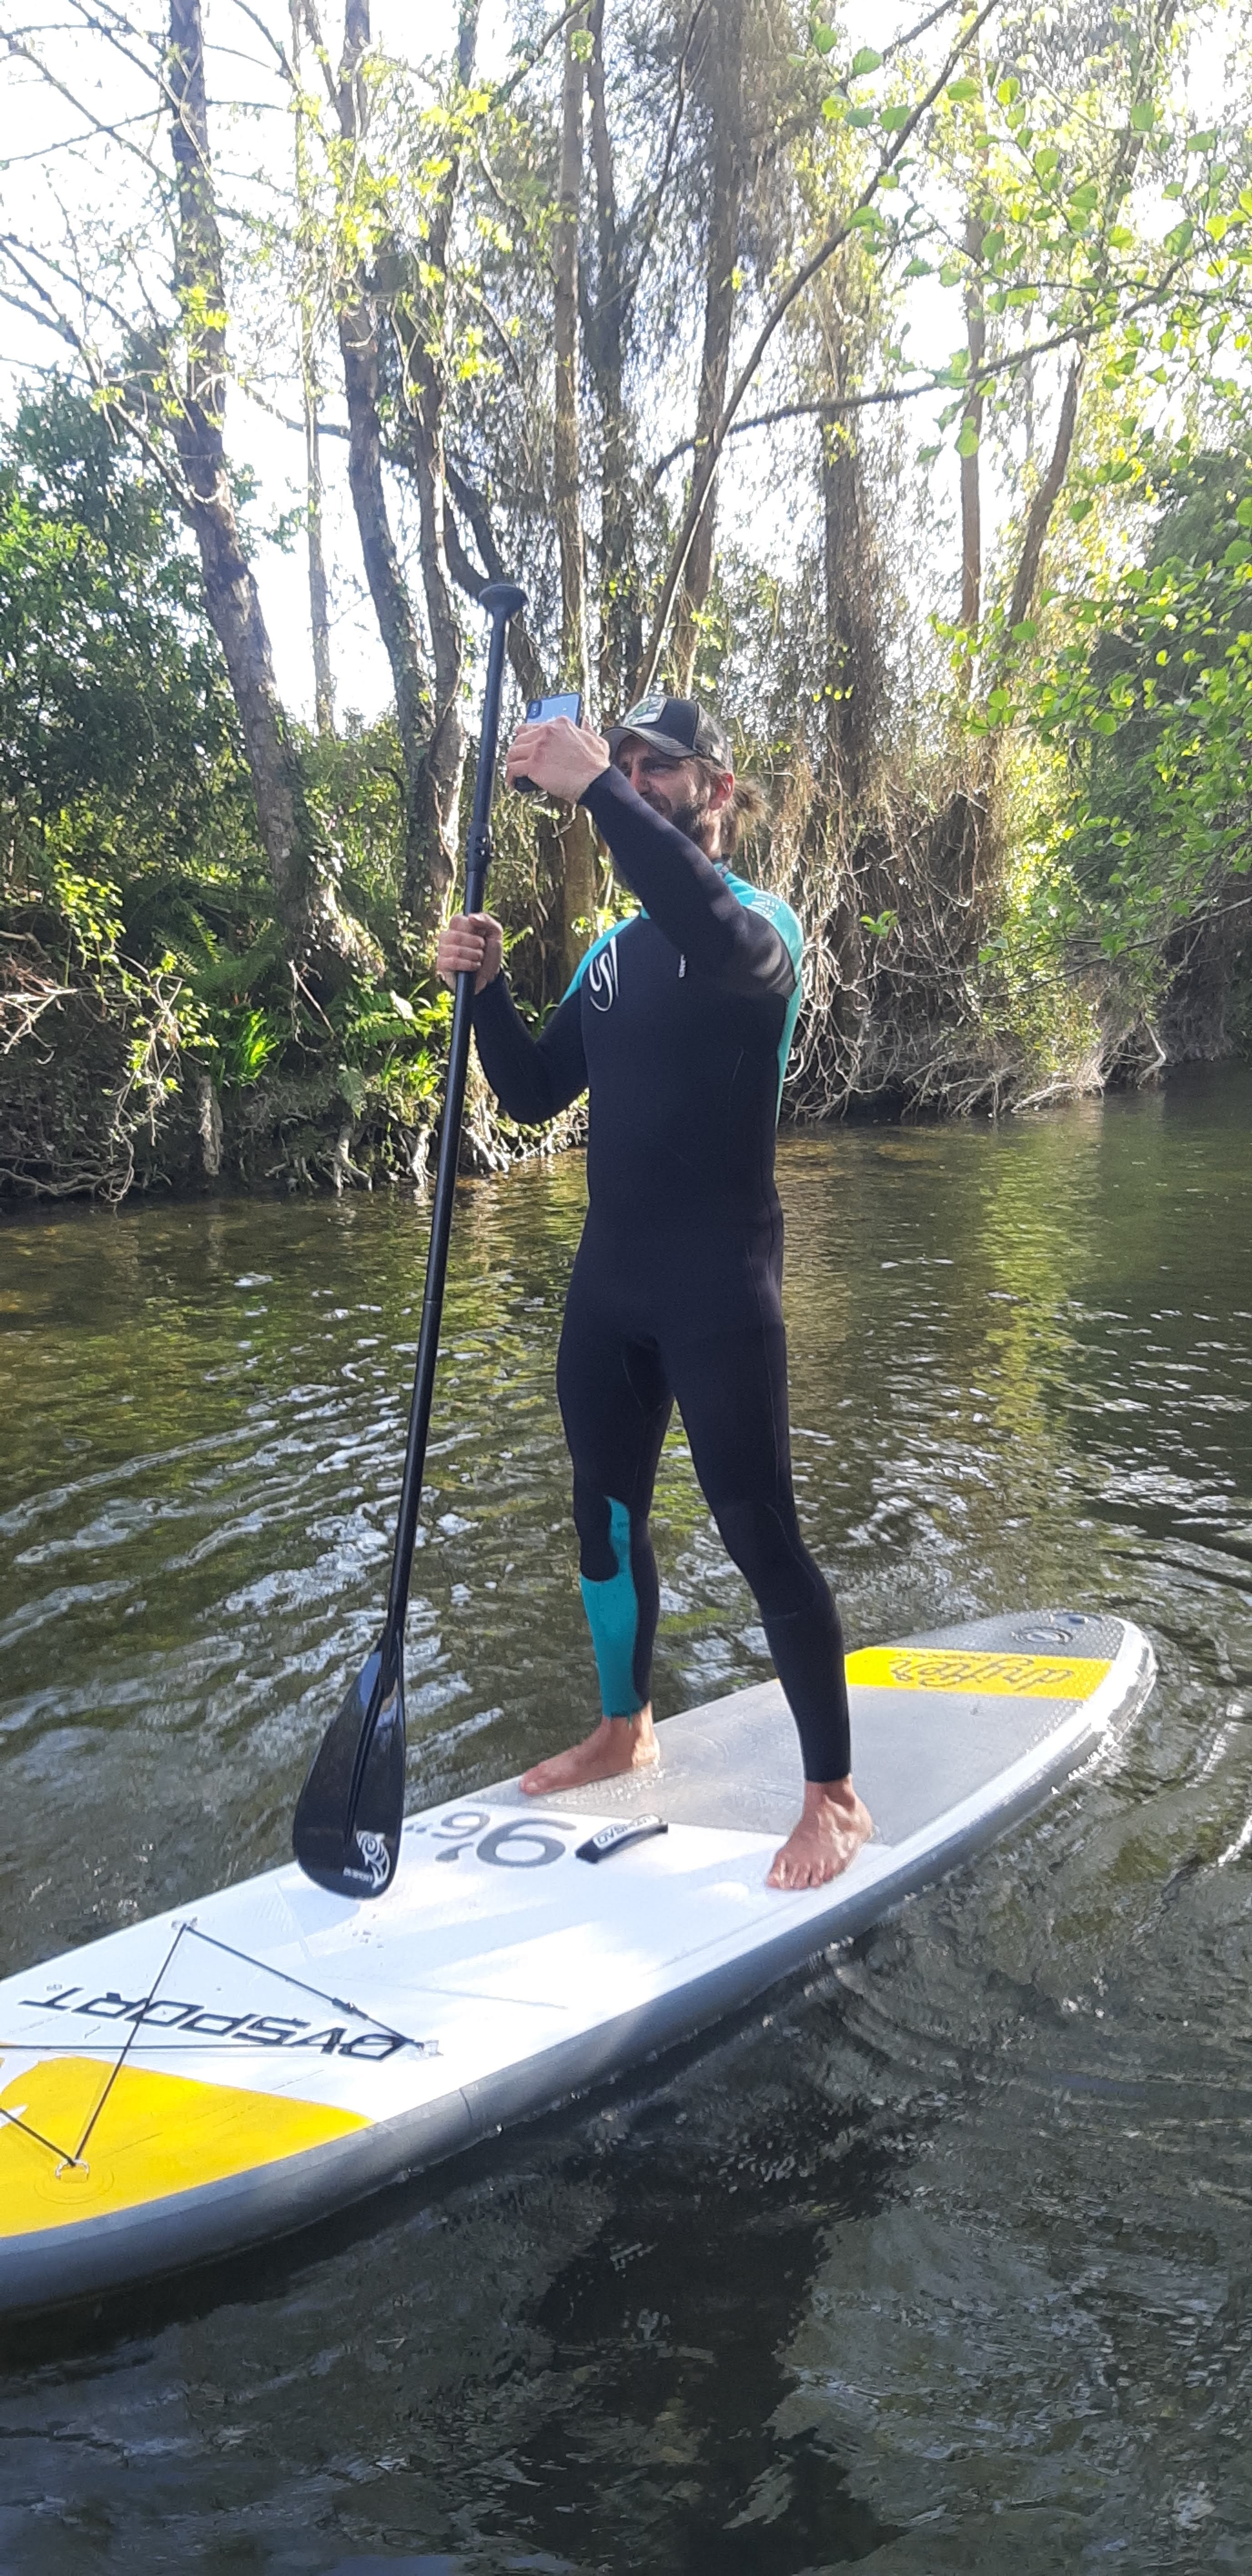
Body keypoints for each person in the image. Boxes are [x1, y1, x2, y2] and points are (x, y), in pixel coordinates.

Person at [435, 695, 871, 1890]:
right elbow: (530, 1095)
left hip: (722, 1291)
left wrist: (592, 788)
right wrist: (485, 993)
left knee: (759, 1533)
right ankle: (624, 1727)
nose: (634, 778)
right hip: (611, 1290)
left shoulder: (762, 932)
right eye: (622, 765)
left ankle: (833, 1796)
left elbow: (711, 924)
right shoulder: (612, 958)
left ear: (715, 791)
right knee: (603, 1520)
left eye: (656, 768)